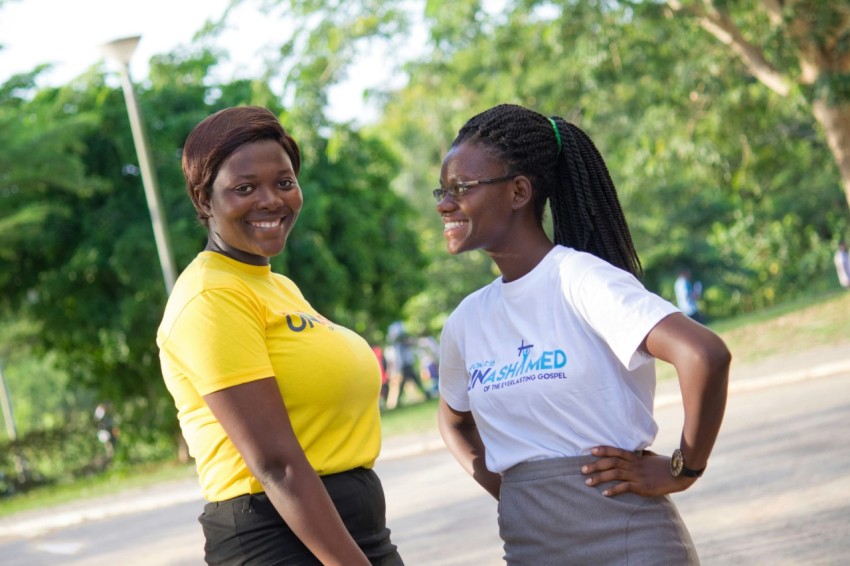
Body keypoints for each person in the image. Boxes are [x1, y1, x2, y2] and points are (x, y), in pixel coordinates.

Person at [434, 104, 730, 565]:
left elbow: (704, 354)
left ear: (518, 191)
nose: (444, 204)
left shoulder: (582, 281)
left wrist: (682, 468)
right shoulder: (467, 320)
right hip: (531, 547)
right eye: (442, 189)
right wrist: (517, 488)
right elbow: (454, 422)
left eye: (461, 189)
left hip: (628, 542)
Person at [157, 106, 402, 565]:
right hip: (277, 541)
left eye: (284, 182)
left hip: (345, 530)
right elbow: (277, 465)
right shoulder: (211, 296)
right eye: (245, 188)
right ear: (204, 199)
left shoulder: (275, 285)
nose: (271, 200)